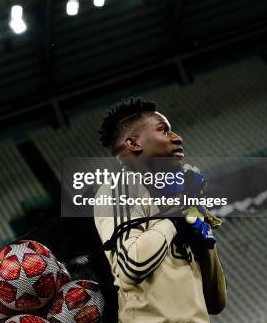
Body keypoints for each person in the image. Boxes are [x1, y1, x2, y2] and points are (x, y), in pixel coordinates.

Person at [94, 97, 226, 322]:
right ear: (134, 144)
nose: (177, 138)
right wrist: (173, 217)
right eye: (163, 130)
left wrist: (203, 238)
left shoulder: (178, 197)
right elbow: (130, 266)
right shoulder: (121, 188)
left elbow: (215, 302)